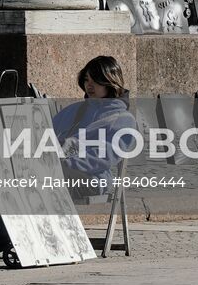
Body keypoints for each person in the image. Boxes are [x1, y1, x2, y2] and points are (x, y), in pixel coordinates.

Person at [52, 56, 139, 192]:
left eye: (95, 81)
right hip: (57, 171)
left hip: (92, 179)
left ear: (110, 82)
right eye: (86, 80)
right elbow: (45, 134)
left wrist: (63, 163)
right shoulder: (73, 109)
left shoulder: (123, 120)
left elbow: (104, 156)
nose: (89, 85)